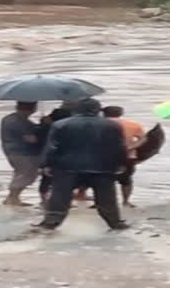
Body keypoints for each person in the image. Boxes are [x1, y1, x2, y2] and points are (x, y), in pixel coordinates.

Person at [37, 98, 129, 231]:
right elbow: (119, 147)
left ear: (76, 110)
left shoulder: (60, 124)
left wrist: (45, 164)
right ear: (98, 110)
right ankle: (115, 223)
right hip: (102, 167)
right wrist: (121, 163)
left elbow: (52, 147)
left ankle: (51, 223)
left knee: (60, 196)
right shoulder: (112, 125)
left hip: (67, 167)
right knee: (106, 199)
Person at [102, 106, 145, 208]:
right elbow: (143, 139)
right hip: (128, 155)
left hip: (103, 155)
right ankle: (126, 201)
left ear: (104, 114)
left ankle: (102, 201)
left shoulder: (99, 124)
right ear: (121, 113)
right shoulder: (133, 125)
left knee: (102, 179)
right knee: (126, 179)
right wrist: (132, 147)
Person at [0, 101, 41, 206]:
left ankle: (12, 198)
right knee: (26, 174)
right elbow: (31, 139)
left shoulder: (10, 118)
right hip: (21, 152)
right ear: (33, 108)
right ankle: (12, 198)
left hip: (12, 150)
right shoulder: (19, 122)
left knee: (21, 173)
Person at [37, 107, 73, 206]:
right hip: (65, 157)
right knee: (64, 180)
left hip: (46, 156)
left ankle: (44, 201)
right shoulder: (68, 128)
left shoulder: (45, 128)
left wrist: (42, 123)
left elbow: (39, 140)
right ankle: (63, 201)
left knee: (46, 180)